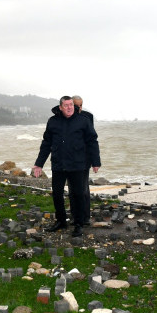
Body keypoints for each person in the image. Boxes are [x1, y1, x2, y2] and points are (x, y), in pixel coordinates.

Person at [33, 96, 101, 237]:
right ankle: (61, 221)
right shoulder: (53, 122)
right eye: (66, 105)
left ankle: (78, 224)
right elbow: (46, 144)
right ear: (60, 107)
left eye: (71, 105)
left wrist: (96, 162)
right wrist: (39, 164)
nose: (69, 107)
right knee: (57, 194)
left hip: (77, 165)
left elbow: (92, 141)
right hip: (58, 164)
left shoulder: (83, 121)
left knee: (78, 195)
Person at [72, 95, 94, 225]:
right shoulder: (66, 118)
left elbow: (91, 138)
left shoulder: (88, 117)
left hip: (85, 158)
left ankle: (85, 217)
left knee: (84, 188)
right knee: (73, 189)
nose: (79, 108)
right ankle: (75, 216)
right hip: (70, 159)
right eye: (76, 105)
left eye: (81, 105)